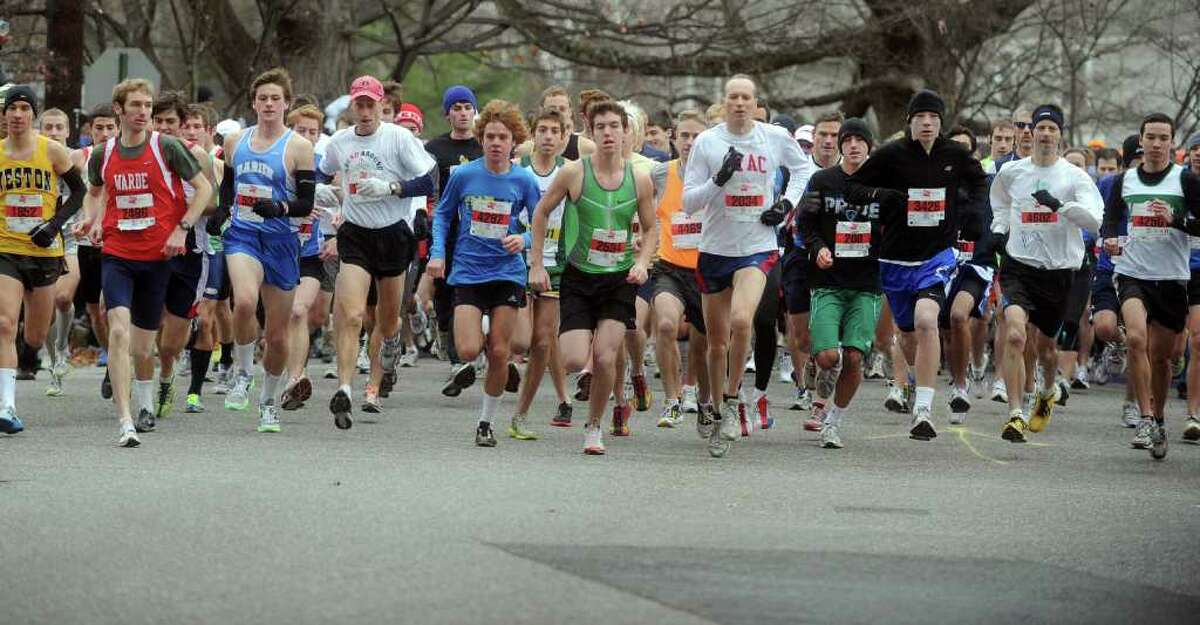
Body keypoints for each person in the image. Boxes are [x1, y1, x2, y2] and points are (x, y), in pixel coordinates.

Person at [845, 89, 988, 441]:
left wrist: (970, 214)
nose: (927, 123)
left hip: (936, 256)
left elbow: (979, 184)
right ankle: (908, 382)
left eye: (934, 117)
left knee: (928, 320)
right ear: (910, 121)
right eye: (921, 117)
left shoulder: (955, 154)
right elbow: (854, 188)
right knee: (906, 335)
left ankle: (923, 411)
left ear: (941, 122)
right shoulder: (891, 155)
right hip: (895, 259)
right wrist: (885, 197)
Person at [682, 75, 813, 457]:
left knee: (743, 321)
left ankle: (733, 394)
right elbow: (690, 202)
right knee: (716, 342)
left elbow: (803, 169)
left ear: (756, 104)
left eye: (746, 98)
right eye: (733, 97)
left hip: (757, 247)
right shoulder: (708, 142)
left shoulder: (772, 137)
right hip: (715, 249)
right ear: (724, 103)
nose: (739, 103)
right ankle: (716, 406)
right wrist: (718, 181)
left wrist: (786, 205)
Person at [82, 79, 212, 446]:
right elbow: (94, 193)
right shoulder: (103, 154)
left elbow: (204, 190)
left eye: (148, 106)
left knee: (143, 349)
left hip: (158, 257)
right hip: (118, 254)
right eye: (136, 105)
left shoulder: (166, 147)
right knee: (119, 332)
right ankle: (125, 420)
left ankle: (145, 404)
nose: (143, 112)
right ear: (119, 109)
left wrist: (181, 229)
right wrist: (91, 219)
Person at [529, 98, 658, 455]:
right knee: (573, 359)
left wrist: (643, 262)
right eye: (600, 127)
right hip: (580, 275)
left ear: (625, 132)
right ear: (590, 131)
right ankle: (595, 387)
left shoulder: (640, 178)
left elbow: (651, 229)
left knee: (604, 357)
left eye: (614, 126)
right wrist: (537, 264)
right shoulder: (574, 173)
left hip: (619, 278)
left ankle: (594, 426)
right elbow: (540, 214)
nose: (607, 134)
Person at [318, 75, 435, 429]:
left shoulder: (399, 138)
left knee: (385, 322)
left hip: (393, 236)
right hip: (355, 235)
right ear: (352, 106)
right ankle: (345, 388)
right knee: (351, 315)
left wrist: (393, 187)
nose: (366, 112)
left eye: (372, 105)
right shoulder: (340, 141)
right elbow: (318, 174)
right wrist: (321, 193)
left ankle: (374, 384)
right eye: (360, 105)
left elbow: (431, 179)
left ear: (382, 105)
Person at [989, 104, 1103, 443]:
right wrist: (1000, 228)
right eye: (1041, 128)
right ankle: (1015, 414)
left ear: (1060, 135)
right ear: (1031, 132)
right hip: (1018, 266)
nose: (1045, 134)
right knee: (1015, 335)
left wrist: (1059, 206)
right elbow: (999, 202)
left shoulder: (1074, 176)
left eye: (1052, 128)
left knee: (1047, 348)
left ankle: (1047, 391)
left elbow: (1094, 222)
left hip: (1058, 271)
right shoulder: (1012, 172)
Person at [430, 99, 541, 446]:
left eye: (503, 137)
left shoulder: (524, 180)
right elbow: (443, 215)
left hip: (507, 271)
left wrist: (521, 239)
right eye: (490, 136)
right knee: (466, 350)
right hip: (468, 269)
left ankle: (485, 423)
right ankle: (480, 327)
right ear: (481, 139)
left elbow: (541, 224)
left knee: (498, 351)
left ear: (513, 142)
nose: (496, 143)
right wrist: (437, 253)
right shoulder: (464, 175)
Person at [216, 68, 316, 432]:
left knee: (276, 335)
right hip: (243, 235)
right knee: (243, 301)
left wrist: (281, 208)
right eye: (263, 98)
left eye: (276, 98)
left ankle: (269, 401)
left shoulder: (299, 148)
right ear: (253, 103)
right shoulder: (235, 142)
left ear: (286, 104)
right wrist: (223, 212)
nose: (269, 104)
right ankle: (243, 372)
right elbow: (228, 187)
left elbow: (307, 202)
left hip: (281, 242)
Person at [1101, 112, 1200, 460]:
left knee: (1163, 359)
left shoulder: (1185, 180)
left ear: (1172, 143)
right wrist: (1110, 239)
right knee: (1137, 338)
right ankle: (1144, 417)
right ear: (1140, 141)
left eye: (1163, 138)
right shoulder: (1124, 181)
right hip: (1132, 273)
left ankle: (1158, 419)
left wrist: (1176, 220)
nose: (1156, 144)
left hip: (1172, 278)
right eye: (1150, 138)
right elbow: (1110, 220)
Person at [0, 86, 86, 435]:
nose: (18, 114)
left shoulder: (50, 150)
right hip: (6, 247)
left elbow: (78, 192)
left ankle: (27, 351)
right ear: (4, 115)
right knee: (4, 323)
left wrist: (53, 226)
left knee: (34, 335)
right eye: (12, 108)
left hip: (45, 254)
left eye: (24, 108)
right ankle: (6, 405)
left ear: (32, 115)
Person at [796, 118, 880, 449]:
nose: (854, 145)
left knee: (855, 357)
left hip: (867, 282)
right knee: (830, 356)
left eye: (861, 140)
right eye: (849, 140)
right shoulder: (822, 180)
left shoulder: (882, 185)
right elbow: (805, 222)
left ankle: (834, 420)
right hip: (828, 280)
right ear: (842, 145)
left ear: (869, 146)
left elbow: (896, 225)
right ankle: (818, 365)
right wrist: (817, 248)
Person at [148, 91, 218, 422]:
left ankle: (166, 375)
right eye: (158, 121)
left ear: (181, 124)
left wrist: (183, 210)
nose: (164, 127)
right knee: (146, 324)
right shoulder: (142, 153)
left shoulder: (197, 155)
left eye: (170, 122)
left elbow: (215, 205)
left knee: (171, 338)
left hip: (190, 250)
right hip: (149, 249)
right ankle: (146, 390)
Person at [649, 110, 712, 431]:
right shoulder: (660, 174)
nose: (689, 142)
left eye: (696, 136)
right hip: (669, 267)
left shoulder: (716, 175)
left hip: (707, 270)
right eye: (684, 136)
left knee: (703, 344)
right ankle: (672, 400)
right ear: (673, 138)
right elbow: (644, 214)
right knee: (664, 324)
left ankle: (701, 398)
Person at [511, 108, 573, 433]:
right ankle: (503, 355)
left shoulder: (570, 172)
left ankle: (522, 411)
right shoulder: (519, 170)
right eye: (543, 130)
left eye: (555, 131)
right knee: (521, 340)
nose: (548, 136)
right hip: (518, 260)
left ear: (564, 137)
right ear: (533, 135)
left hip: (555, 263)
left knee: (543, 342)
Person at [424, 85, 483, 396]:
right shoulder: (434, 149)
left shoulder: (485, 146)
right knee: (446, 292)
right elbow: (425, 188)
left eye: (467, 107)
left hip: (481, 231)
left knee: (472, 291)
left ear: (475, 111)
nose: (462, 113)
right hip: (446, 229)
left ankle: (465, 355)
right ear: (447, 113)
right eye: (456, 107)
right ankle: (452, 347)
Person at [276, 104, 330, 412]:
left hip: (310, 253)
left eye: (313, 132)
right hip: (278, 250)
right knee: (278, 324)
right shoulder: (279, 163)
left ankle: (294, 381)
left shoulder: (324, 164)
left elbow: (347, 195)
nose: (307, 137)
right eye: (301, 131)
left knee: (299, 312)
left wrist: (337, 221)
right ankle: (289, 371)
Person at [70, 104, 119, 399]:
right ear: (90, 130)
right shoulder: (79, 158)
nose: (104, 133)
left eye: (109, 127)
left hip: (116, 242)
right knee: (93, 311)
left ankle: (116, 364)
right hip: (88, 244)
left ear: (118, 127)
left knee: (110, 307)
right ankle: (109, 354)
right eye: (98, 128)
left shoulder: (128, 154)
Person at [37, 108, 79, 398]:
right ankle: (53, 361)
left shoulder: (77, 158)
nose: (53, 132)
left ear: (68, 131)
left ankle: (63, 347)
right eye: (48, 127)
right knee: (46, 308)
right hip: (40, 237)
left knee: (64, 298)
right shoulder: (33, 156)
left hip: (71, 235)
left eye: (58, 127)